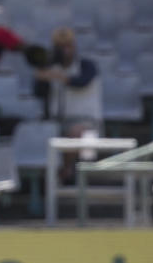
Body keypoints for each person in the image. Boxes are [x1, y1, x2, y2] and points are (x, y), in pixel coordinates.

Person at [33, 27, 103, 182]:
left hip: (87, 122)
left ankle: (67, 172)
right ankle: (49, 180)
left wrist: (55, 76)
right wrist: (42, 71)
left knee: (76, 134)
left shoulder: (86, 65)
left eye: (68, 46)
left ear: (74, 46)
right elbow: (38, 92)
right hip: (57, 122)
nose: (64, 51)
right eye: (60, 47)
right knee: (39, 136)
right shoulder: (51, 68)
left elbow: (81, 82)